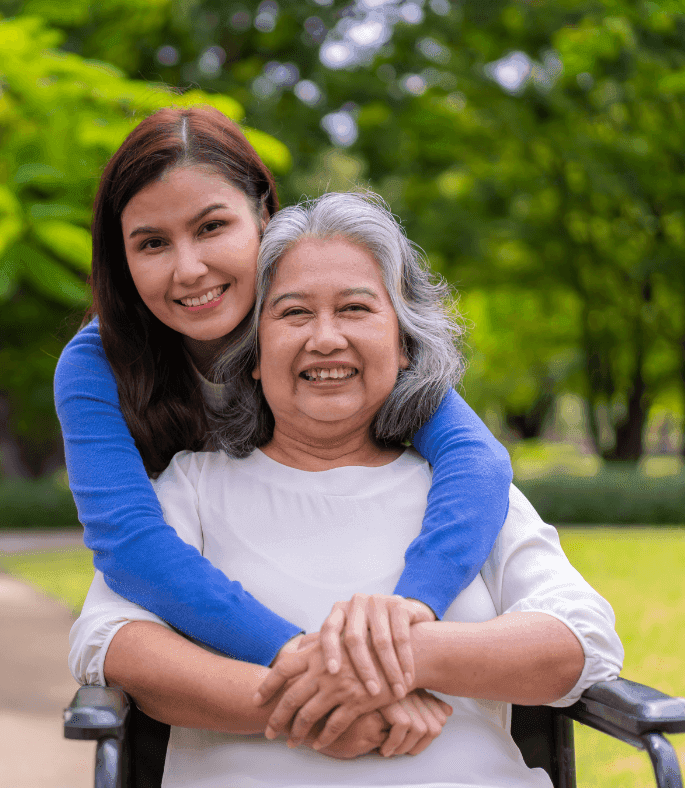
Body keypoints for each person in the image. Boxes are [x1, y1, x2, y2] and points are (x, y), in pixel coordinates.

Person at [69, 192, 624, 787]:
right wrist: (307, 709)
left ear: (404, 343)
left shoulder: (463, 493)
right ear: (253, 353)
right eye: (294, 313)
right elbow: (111, 640)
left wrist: (404, 653)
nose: (326, 338)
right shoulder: (194, 486)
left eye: (356, 308)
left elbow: (583, 638)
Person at [54, 105, 514, 697]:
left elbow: (476, 460)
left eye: (211, 227)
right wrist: (304, 660)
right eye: (152, 243)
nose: (188, 269)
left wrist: (405, 616)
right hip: (211, 649)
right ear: (121, 258)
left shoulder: (330, 337)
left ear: (264, 218)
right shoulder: (96, 365)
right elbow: (130, 544)